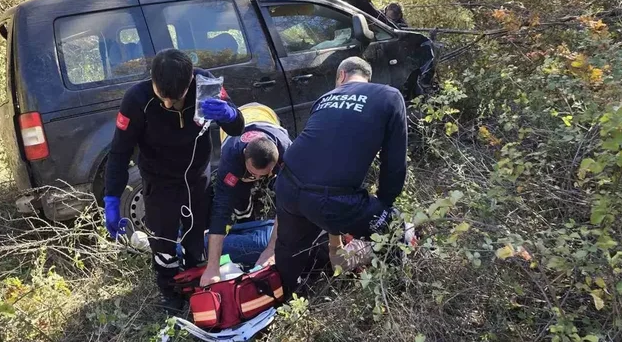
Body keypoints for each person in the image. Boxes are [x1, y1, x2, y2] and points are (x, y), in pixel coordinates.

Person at [102, 48, 245, 311]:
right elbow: (120, 152)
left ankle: (200, 287)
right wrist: (111, 197)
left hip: (196, 177)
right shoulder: (137, 99)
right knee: (164, 242)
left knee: (197, 238)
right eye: (163, 97)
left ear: (190, 80)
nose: (169, 105)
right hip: (159, 179)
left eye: (175, 99)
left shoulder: (206, 85)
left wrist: (230, 115)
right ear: (152, 80)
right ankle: (170, 294)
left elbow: (237, 128)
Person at [273, 56, 408, 294]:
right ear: (366, 78)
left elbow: (323, 160)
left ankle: (286, 297)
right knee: (395, 226)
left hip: (287, 184)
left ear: (341, 77)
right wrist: (384, 206)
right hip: (331, 200)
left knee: (289, 248)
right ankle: (396, 291)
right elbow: (394, 162)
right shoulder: (389, 96)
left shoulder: (325, 98)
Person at [200, 103, 292, 286]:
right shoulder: (231, 157)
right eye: (253, 173)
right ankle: (246, 222)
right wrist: (212, 267)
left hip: (266, 113)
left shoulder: (288, 152)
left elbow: (288, 201)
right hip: (240, 119)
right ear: (244, 158)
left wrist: (271, 249)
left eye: (262, 174)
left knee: (284, 191)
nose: (256, 178)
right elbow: (221, 210)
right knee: (239, 198)